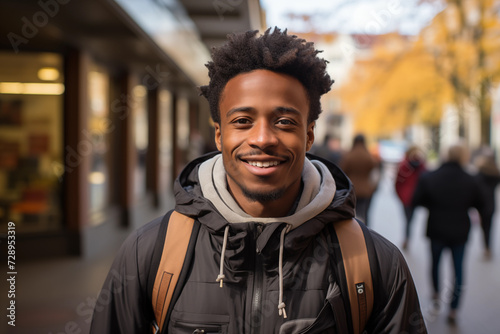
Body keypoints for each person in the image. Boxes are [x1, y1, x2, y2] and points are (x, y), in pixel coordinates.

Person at [90, 28, 426, 333]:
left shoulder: (374, 264)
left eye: (283, 121)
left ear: (309, 136)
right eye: (243, 120)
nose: (262, 138)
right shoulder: (150, 253)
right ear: (219, 135)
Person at [412, 143, 485, 325]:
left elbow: (416, 200)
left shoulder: (429, 177)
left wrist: (433, 205)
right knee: (458, 269)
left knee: (435, 264)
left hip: (436, 227)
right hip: (460, 230)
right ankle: (453, 308)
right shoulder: (471, 179)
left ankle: (436, 294)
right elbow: (481, 204)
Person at [340, 134, 380, 225]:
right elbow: (375, 172)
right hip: (366, 190)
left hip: (351, 189)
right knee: (364, 212)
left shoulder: (349, 156)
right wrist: (373, 187)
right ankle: (365, 231)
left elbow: (342, 170)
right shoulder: (368, 156)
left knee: (352, 213)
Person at [395, 145, 426, 250]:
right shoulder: (422, 166)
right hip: (416, 196)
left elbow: (398, 182)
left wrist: (400, 194)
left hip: (405, 196)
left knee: (407, 219)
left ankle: (407, 238)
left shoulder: (404, 165)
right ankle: (408, 238)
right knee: (411, 219)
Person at [474, 148, 500, 260]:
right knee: (489, 226)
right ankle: (488, 248)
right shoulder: (495, 173)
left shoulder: (480, 172)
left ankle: (486, 248)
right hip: (491, 203)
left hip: (481, 203)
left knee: (484, 227)